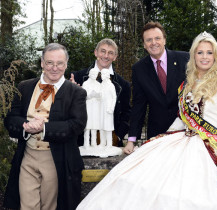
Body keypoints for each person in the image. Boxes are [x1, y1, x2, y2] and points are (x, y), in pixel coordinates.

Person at [76, 32, 217, 210]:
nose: (204, 57)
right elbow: (181, 118)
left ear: (216, 56)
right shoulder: (187, 85)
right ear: (193, 56)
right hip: (181, 141)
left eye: (209, 52)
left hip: (210, 149)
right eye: (200, 52)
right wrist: (160, 140)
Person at [3, 43, 87, 210]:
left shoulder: (76, 92)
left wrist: (44, 128)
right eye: (49, 63)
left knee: (50, 206)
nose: (54, 68)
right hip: (27, 156)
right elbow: (11, 118)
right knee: (26, 205)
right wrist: (25, 126)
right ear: (42, 63)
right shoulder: (24, 87)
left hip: (57, 158)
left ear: (66, 64)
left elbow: (77, 125)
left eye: (60, 63)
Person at [124, 21, 189, 154]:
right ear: (144, 44)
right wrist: (131, 140)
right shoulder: (139, 69)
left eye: (157, 38)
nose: (153, 43)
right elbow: (139, 105)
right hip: (157, 134)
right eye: (149, 40)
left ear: (164, 40)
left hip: (185, 130)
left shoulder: (185, 59)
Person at [71, 38, 131, 147]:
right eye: (103, 51)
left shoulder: (124, 85)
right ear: (96, 53)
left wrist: (118, 136)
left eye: (110, 53)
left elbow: (127, 113)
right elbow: (68, 108)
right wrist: (71, 92)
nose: (106, 56)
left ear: (115, 57)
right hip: (82, 140)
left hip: (111, 140)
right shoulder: (78, 77)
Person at [82, 67, 102, 148]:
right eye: (93, 74)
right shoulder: (85, 84)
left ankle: (94, 143)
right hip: (88, 106)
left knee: (94, 125)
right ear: (89, 74)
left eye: (96, 74)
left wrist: (97, 95)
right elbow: (83, 96)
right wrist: (90, 95)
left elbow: (101, 96)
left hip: (96, 107)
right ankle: (86, 143)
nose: (94, 75)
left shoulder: (98, 84)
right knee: (87, 126)